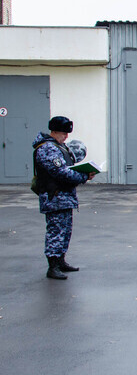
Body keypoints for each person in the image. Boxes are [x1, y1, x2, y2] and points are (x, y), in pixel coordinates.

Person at [32, 116, 96, 280]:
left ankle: (60, 261)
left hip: (63, 197)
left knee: (65, 231)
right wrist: (83, 176)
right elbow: (60, 172)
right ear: (53, 131)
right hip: (54, 197)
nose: (66, 137)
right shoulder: (47, 149)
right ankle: (52, 266)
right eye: (63, 133)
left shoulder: (59, 147)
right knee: (56, 232)